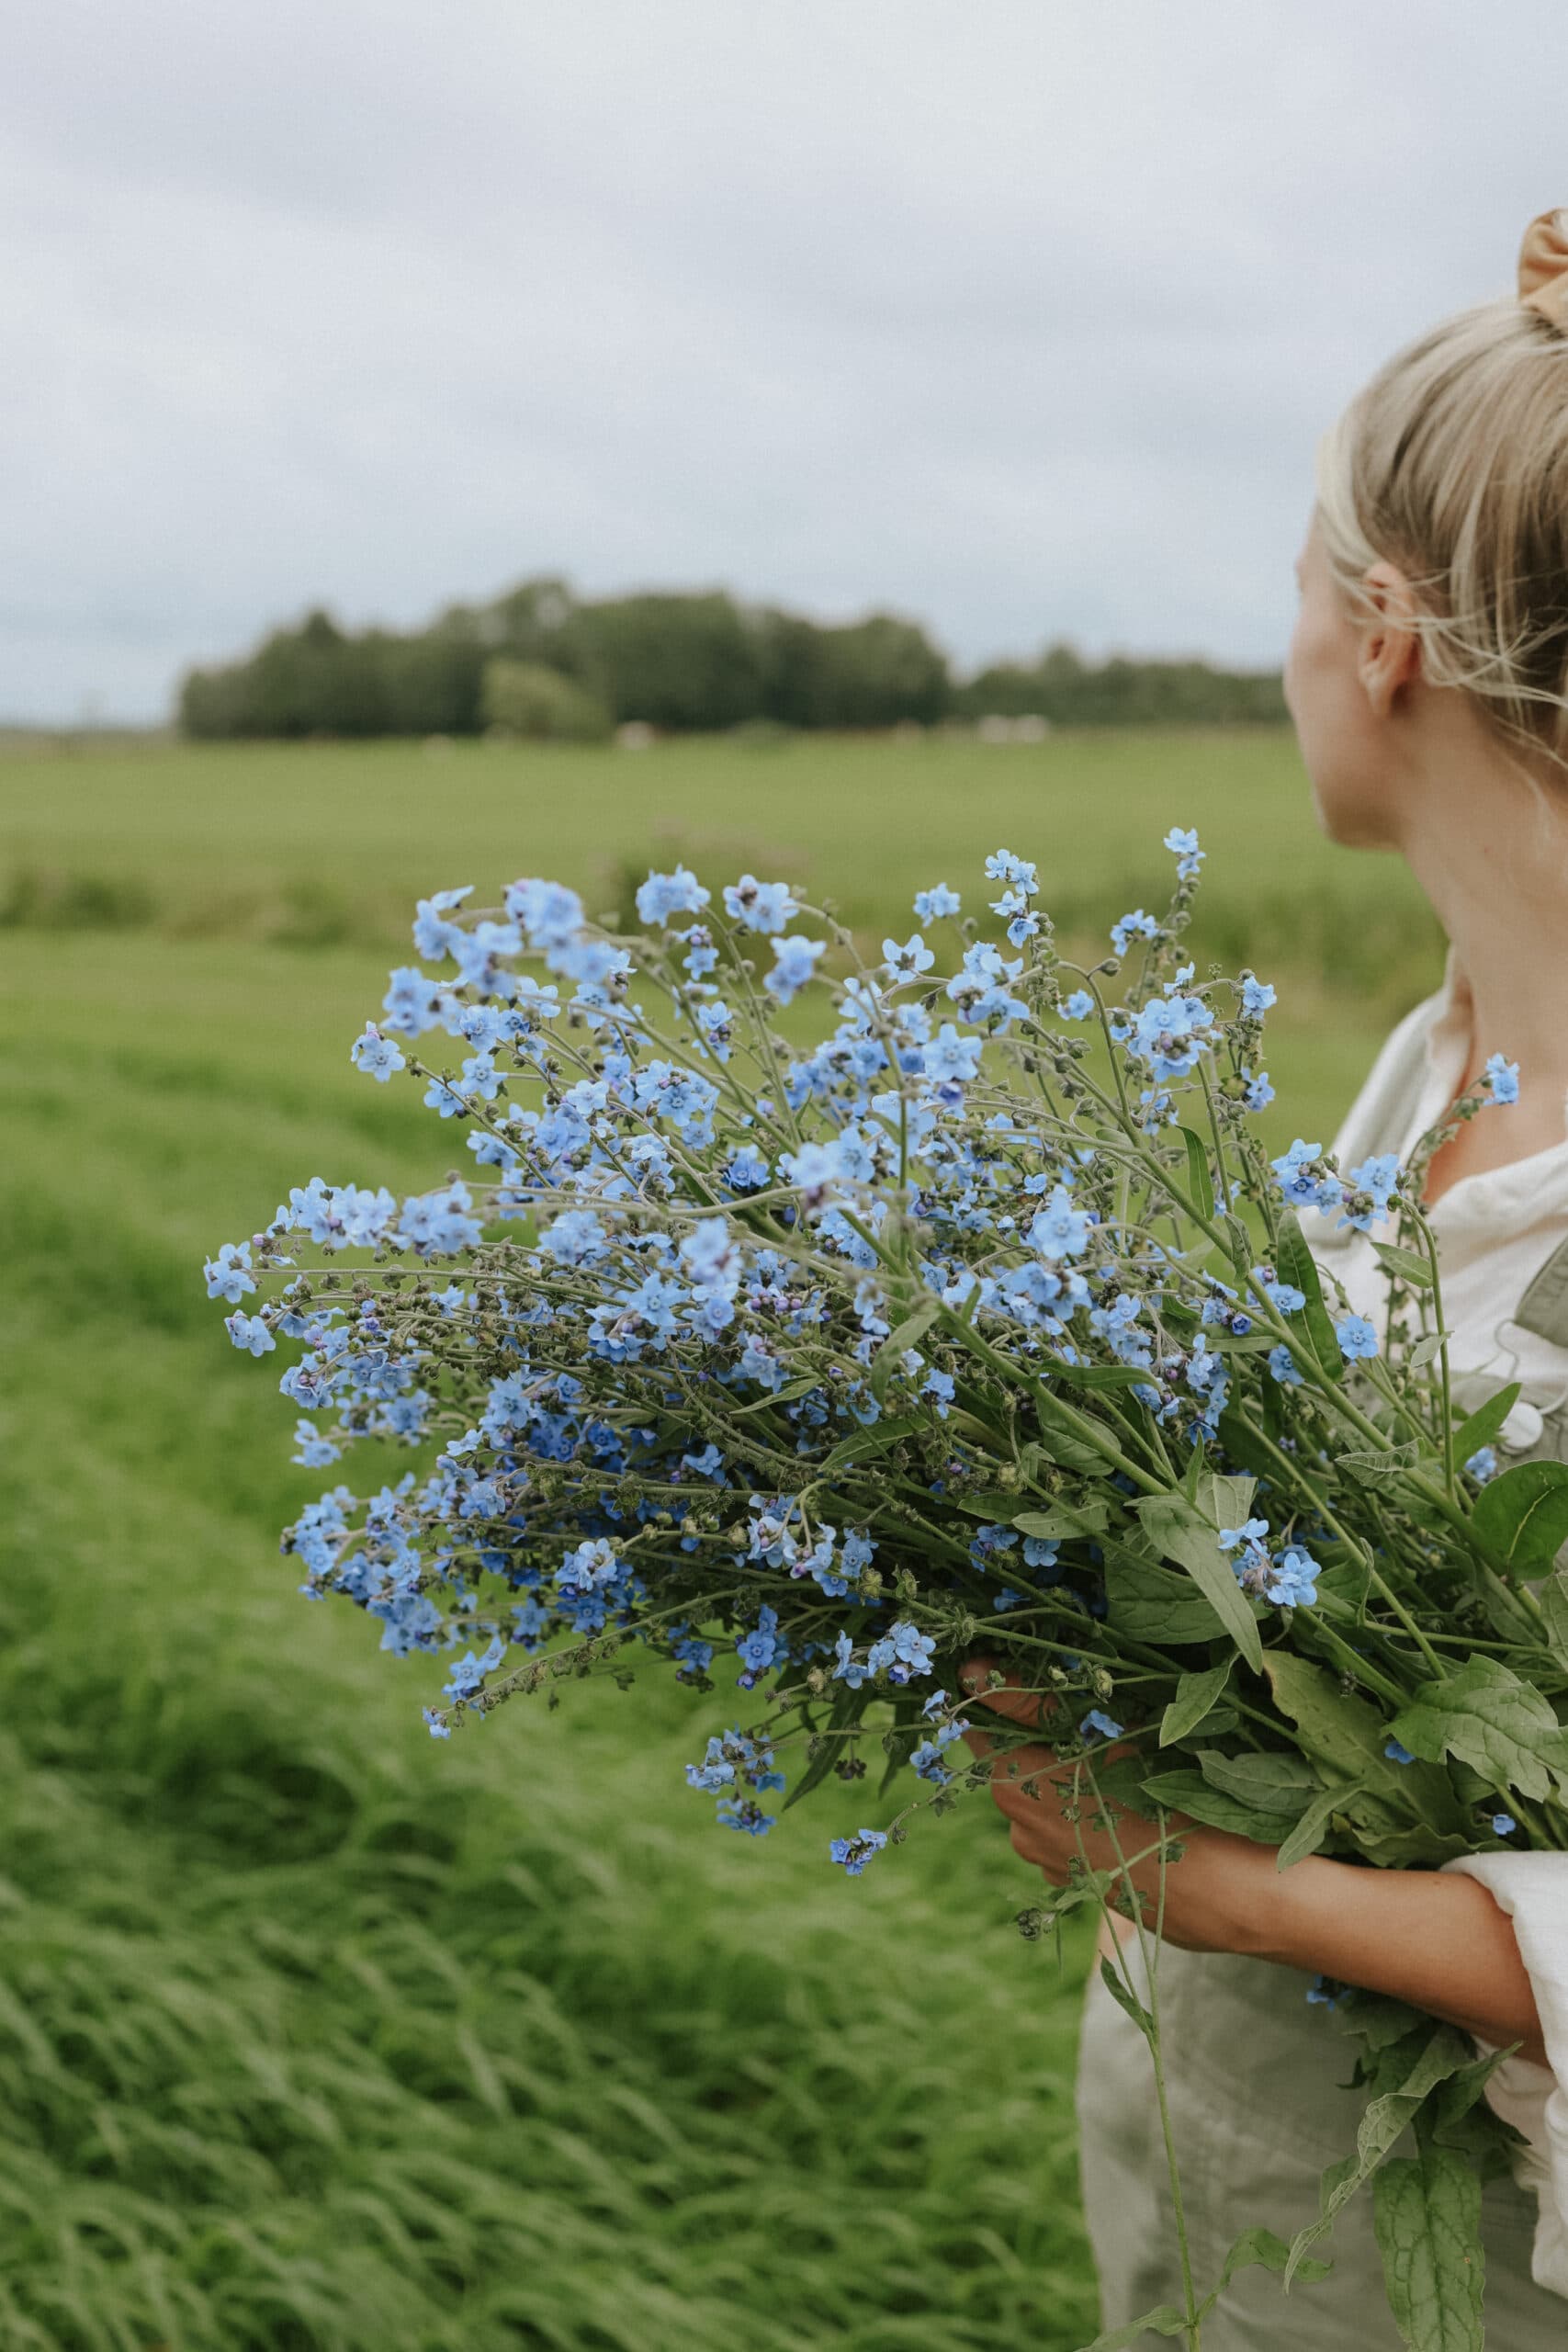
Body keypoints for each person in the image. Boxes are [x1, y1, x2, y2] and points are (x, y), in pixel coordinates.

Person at [962, 209, 1568, 2346]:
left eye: (1295, 588)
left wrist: (1222, 1883)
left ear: (1384, 630)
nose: (1283, 645)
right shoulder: (1436, 1060)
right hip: (1253, 2180)